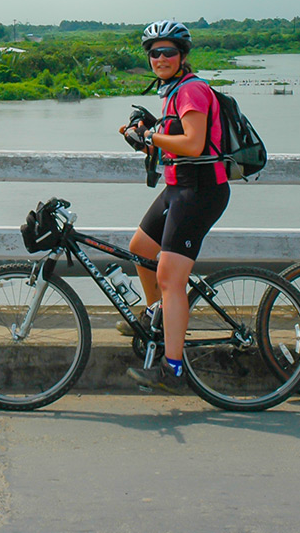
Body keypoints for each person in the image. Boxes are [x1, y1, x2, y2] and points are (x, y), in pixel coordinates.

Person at [118, 20, 231, 393]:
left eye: (168, 52)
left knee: (170, 278)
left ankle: (173, 368)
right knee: (141, 249)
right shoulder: (173, 91)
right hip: (177, 186)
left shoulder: (192, 90)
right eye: (154, 53)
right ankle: (158, 317)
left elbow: (195, 144)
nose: (160, 58)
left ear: (182, 56)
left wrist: (153, 134)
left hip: (200, 191)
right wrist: (145, 139)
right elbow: (175, 143)